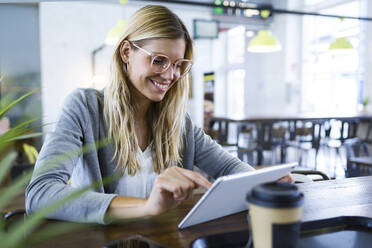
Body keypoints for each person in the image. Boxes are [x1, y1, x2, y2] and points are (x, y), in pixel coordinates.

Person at [26, 5, 292, 224]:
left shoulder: (181, 124)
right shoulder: (85, 107)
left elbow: (231, 168)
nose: (170, 75)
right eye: (159, 60)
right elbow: (40, 193)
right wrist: (146, 207)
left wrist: (262, 183)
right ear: (127, 52)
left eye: (178, 65)